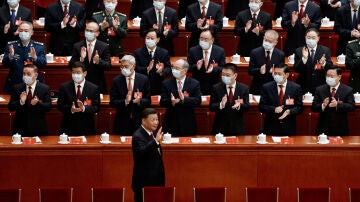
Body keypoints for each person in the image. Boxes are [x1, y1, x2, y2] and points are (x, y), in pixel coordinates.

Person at [110, 55, 151, 136]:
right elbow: (112, 102)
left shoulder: (143, 79)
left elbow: (148, 100)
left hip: (139, 121)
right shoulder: (116, 81)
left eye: (126, 66)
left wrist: (140, 101)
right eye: (121, 66)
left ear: (134, 66)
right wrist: (125, 101)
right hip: (122, 122)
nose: (123, 69)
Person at [160, 59, 202, 136]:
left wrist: (184, 99)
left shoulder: (194, 83)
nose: (174, 70)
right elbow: (162, 102)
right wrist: (171, 101)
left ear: (185, 70)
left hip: (188, 123)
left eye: (177, 68)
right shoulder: (166, 83)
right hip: (171, 122)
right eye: (173, 68)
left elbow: (198, 101)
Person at [57, 61, 101, 136]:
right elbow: (60, 105)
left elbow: (96, 107)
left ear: (85, 73)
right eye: (73, 72)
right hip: (68, 127)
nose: (75, 75)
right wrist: (71, 109)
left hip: (87, 127)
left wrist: (84, 108)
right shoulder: (64, 87)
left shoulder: (93, 88)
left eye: (78, 72)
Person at [259, 63, 303, 136]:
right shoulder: (266, 87)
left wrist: (289, 111)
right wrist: (274, 109)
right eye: (275, 73)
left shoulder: (296, 88)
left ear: (287, 75)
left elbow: (299, 107)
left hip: (288, 127)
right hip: (271, 127)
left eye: (279, 74)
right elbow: (261, 106)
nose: (276, 76)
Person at [2, 21, 46, 94]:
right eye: (21, 30)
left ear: (31, 32)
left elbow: (43, 64)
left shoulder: (39, 47)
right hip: (15, 83)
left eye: (26, 31)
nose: (23, 32)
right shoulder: (12, 46)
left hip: (33, 83)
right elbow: (5, 64)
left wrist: (35, 58)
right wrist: (10, 56)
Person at [8, 64, 51, 137]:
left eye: (28, 74)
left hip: (38, 128)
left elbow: (48, 107)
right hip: (20, 128)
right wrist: (21, 102)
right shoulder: (17, 88)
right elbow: (10, 107)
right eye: (24, 74)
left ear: (36, 75)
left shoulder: (44, 88)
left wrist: (37, 103)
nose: (25, 76)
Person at [131, 108, 164, 202]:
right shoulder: (138, 136)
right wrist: (155, 141)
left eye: (157, 119)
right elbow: (141, 152)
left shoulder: (152, 133)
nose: (156, 122)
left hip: (156, 181)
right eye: (153, 120)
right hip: (144, 183)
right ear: (144, 121)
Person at [311, 66, 355, 136]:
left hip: (340, 128)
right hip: (323, 128)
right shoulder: (320, 89)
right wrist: (323, 105)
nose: (329, 78)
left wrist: (338, 104)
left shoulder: (348, 90)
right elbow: (313, 107)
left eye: (332, 76)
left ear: (339, 77)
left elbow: (352, 107)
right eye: (327, 76)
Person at [69, 21, 111, 94]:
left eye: (91, 31)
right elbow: (70, 66)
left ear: (97, 33)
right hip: (81, 83)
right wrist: (81, 59)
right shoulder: (77, 46)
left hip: (98, 84)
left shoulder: (103, 46)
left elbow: (108, 66)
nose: (88, 32)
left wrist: (99, 61)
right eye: (87, 30)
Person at [209, 63, 250, 135]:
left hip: (237, 128)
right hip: (220, 128)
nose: (224, 77)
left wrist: (240, 105)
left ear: (235, 75)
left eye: (227, 75)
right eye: (223, 74)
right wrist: (221, 104)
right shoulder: (216, 88)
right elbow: (211, 107)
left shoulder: (243, 88)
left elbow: (247, 107)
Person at [294, 28, 332, 94]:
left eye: (313, 37)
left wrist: (323, 63)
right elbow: (296, 69)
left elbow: (330, 67)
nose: (311, 39)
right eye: (308, 37)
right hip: (303, 85)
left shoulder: (325, 50)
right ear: (305, 37)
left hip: (320, 85)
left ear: (318, 38)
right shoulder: (299, 50)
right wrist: (304, 59)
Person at [188, 29, 225, 95]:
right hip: (197, 85)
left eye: (206, 39)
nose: (203, 41)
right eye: (201, 39)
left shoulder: (220, 51)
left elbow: (223, 68)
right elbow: (188, 68)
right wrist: (196, 67)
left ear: (212, 40)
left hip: (214, 85)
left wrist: (214, 69)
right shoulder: (193, 51)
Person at [134, 29, 171, 95]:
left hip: (158, 86)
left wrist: (162, 71)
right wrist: (147, 69)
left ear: (158, 40)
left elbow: (168, 69)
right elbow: (135, 68)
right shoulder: (138, 52)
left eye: (152, 38)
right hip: (142, 86)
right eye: (147, 38)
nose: (149, 40)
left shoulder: (164, 52)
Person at [248, 29, 285, 95]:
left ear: (275, 43)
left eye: (270, 41)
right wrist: (259, 70)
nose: (267, 43)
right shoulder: (255, 52)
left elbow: (282, 73)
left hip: (273, 88)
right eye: (265, 40)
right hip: (257, 88)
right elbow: (250, 71)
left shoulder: (280, 55)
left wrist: (276, 73)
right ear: (263, 38)